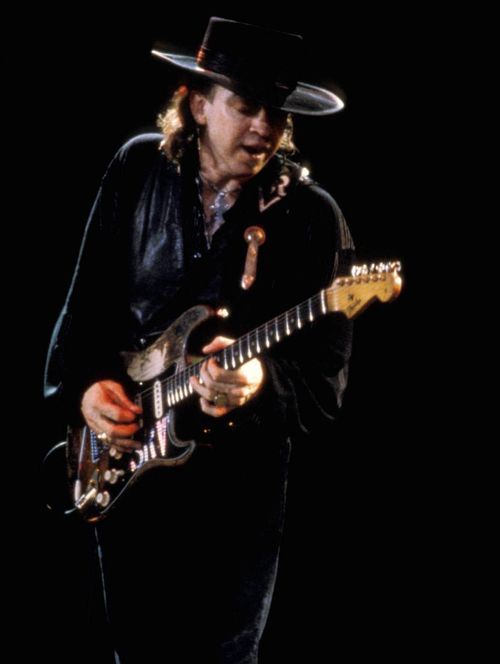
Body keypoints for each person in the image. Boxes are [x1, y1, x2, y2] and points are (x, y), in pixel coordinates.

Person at [44, 17, 353, 663]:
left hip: (237, 498)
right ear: (197, 100)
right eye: (245, 106)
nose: (264, 128)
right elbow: (86, 305)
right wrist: (84, 391)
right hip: (130, 466)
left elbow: (324, 386)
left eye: (276, 112)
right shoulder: (137, 167)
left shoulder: (309, 215)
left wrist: (260, 386)